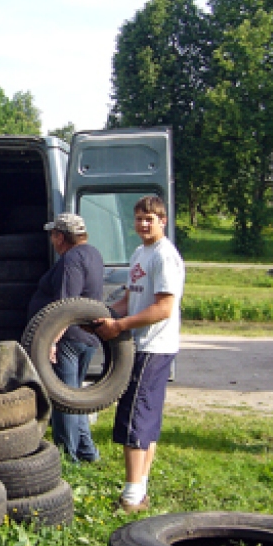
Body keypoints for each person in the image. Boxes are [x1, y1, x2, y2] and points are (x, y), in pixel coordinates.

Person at [93, 195, 184, 513]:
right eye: (139, 218)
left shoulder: (164, 256)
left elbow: (163, 307)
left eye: (150, 218)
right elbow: (130, 300)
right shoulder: (139, 253)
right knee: (147, 421)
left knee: (134, 420)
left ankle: (131, 498)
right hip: (142, 344)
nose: (144, 224)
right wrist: (102, 314)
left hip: (153, 346)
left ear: (163, 221)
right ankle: (138, 489)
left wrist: (121, 326)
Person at [26, 212, 103, 462]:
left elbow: (65, 306)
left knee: (64, 399)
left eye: (52, 235)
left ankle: (68, 456)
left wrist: (51, 341)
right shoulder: (93, 254)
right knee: (76, 398)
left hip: (68, 338)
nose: (51, 239)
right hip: (85, 337)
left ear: (60, 236)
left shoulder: (71, 260)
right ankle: (87, 452)